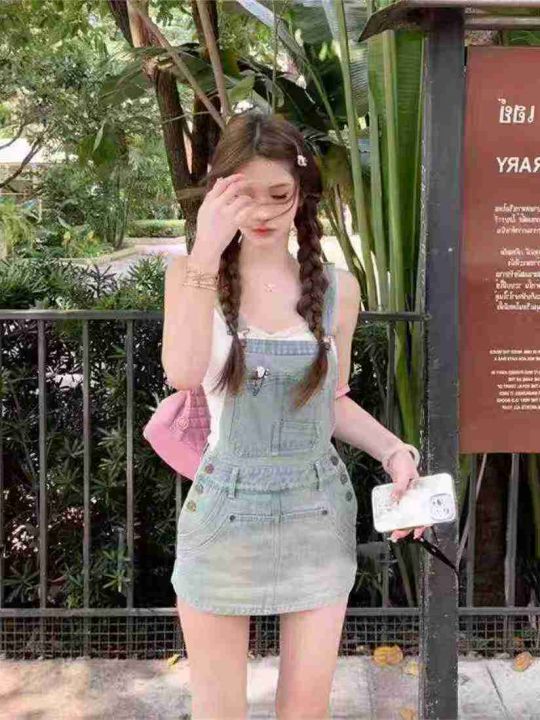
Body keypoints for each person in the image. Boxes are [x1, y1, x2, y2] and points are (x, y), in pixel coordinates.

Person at [161, 110, 427, 720]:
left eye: (278, 195)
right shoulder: (192, 276)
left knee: (306, 709)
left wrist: (393, 451)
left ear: (302, 194)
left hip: (317, 510)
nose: (261, 211)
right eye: (242, 195)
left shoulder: (338, 288)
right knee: (219, 710)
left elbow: (329, 401)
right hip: (225, 511)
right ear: (216, 192)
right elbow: (183, 372)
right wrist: (206, 249)